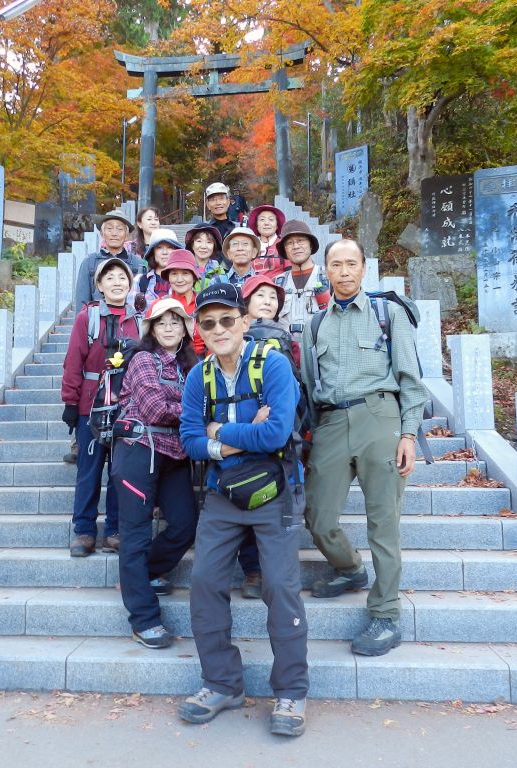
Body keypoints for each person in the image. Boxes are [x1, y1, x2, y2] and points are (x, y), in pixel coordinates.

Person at [178, 283, 309, 738]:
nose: (219, 329)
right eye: (208, 322)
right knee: (205, 582)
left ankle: (291, 691)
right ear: (200, 329)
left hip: (276, 491)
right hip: (222, 495)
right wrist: (235, 436)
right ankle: (221, 683)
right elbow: (189, 440)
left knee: (279, 585)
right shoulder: (199, 376)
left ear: (245, 321)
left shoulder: (272, 363)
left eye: (227, 319)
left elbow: (275, 434)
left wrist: (220, 434)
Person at [300, 239, 427, 657]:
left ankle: (386, 613)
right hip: (332, 422)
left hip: (380, 417)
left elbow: (410, 378)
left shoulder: (388, 313)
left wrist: (408, 434)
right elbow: (308, 385)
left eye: (351, 263)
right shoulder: (315, 324)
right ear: (326, 271)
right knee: (318, 517)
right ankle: (350, 569)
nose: (344, 271)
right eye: (336, 264)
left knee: (383, 522)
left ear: (363, 268)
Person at [110, 297, 200, 650]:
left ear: (184, 328)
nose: (168, 328)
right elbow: (154, 408)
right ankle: (143, 618)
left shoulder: (189, 364)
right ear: (150, 328)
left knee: (185, 524)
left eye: (175, 322)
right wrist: (193, 407)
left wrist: (186, 404)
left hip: (174, 454)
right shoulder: (143, 360)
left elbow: (194, 402)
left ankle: (141, 575)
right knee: (134, 533)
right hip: (137, 451)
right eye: (161, 322)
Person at [62, 257, 142, 557]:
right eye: (109, 278)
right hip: (91, 405)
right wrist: (70, 401)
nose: (117, 282)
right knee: (89, 469)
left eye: (122, 277)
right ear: (99, 285)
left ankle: (115, 529)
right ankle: (83, 531)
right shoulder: (88, 317)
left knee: (121, 471)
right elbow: (73, 361)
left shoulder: (139, 320)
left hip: (128, 406)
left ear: (130, 282)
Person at [74, 208, 146, 311]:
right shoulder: (89, 262)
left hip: (128, 322)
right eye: (109, 228)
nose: (114, 233)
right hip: (98, 322)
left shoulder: (137, 264)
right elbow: (82, 302)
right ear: (102, 234)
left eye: (120, 229)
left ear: (126, 235)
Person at [274, 220, 330, 343]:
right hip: (286, 351)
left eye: (300, 241)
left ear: (310, 245)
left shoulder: (329, 276)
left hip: (320, 348)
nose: (295, 246)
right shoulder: (277, 283)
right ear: (284, 250)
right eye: (289, 243)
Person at [160, 248, 206, 356]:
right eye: (174, 274)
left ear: (194, 277)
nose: (179, 279)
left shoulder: (205, 303)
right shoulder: (160, 305)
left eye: (185, 273)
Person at [133, 228, 183, 311]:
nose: (165, 252)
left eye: (169, 247)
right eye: (159, 248)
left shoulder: (184, 281)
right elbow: (133, 315)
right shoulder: (139, 281)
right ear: (153, 252)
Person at [184, 223, 228, 289]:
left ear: (214, 246)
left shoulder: (219, 270)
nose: (204, 246)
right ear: (192, 245)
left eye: (209, 242)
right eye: (199, 241)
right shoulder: (184, 268)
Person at [249, 204, 287, 276]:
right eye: (262, 219)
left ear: (277, 225)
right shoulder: (249, 246)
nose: (266, 223)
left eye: (271, 219)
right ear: (256, 226)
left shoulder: (284, 244)